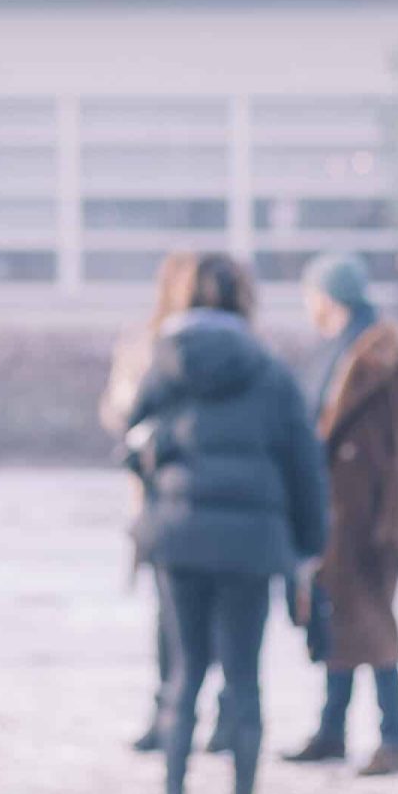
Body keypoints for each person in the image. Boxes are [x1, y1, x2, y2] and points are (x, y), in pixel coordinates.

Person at [123, 253, 328, 794]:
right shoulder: (269, 370)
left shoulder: (163, 366)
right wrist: (310, 546)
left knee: (184, 677)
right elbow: (304, 463)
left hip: (178, 540)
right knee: (244, 681)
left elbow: (131, 442)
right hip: (250, 547)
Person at [282, 253, 398, 778]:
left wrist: (390, 519)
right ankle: (332, 729)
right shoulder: (338, 351)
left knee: (374, 623)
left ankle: (393, 737)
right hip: (336, 511)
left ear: (328, 297)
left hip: (366, 516)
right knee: (337, 617)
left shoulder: (378, 358)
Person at [101, 251, 232, 755]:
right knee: (173, 620)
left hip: (187, 504)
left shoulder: (220, 349)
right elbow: (122, 417)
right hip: (167, 504)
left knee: (201, 618)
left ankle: (196, 715)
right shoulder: (147, 344)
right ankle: (172, 713)